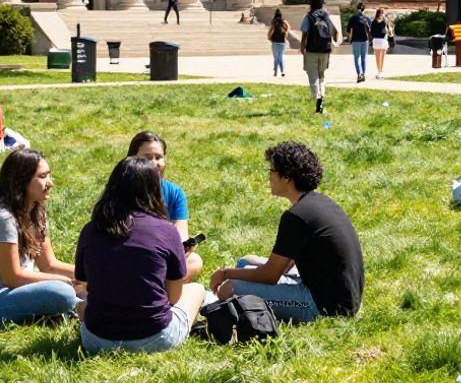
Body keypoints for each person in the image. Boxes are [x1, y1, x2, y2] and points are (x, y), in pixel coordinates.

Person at [210, 142, 365, 322]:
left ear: (287, 177)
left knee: (231, 288)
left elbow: (270, 275)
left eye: (272, 171)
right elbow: (284, 265)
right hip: (341, 298)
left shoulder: (296, 216)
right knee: (245, 262)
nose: (269, 176)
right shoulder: (319, 203)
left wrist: (225, 273)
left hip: (322, 306)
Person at [76, 157, 205, 354]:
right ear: (154, 190)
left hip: (95, 340)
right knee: (196, 289)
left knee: (82, 305)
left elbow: (84, 283)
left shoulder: (90, 230)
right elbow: (174, 296)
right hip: (155, 338)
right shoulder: (166, 230)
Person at [0, 150, 79, 327]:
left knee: (84, 287)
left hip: (14, 293)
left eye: (49, 176)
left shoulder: (36, 213)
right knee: (63, 293)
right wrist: (66, 282)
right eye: (43, 177)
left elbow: (49, 265)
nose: (50, 183)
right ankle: (78, 309)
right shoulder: (1, 218)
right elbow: (12, 277)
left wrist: (93, 275)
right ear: (22, 181)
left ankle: (72, 309)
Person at [128, 131, 202, 280]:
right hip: (128, 254)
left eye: (159, 157)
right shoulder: (121, 190)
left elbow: (180, 237)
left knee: (194, 261)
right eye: (148, 158)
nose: (155, 163)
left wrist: (184, 247)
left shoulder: (174, 192)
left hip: (161, 256)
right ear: (132, 160)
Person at [299, 0, 339, 114]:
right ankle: (322, 97)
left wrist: (302, 46)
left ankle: (318, 101)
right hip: (325, 51)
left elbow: (305, 33)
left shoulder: (308, 16)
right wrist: (334, 43)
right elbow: (335, 32)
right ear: (322, 3)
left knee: (313, 77)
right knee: (322, 76)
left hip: (311, 50)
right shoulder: (327, 16)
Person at [346, 4, 372, 83]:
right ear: (364, 9)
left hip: (355, 40)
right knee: (363, 58)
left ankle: (359, 74)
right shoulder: (367, 18)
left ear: (356, 9)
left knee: (357, 58)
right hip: (365, 40)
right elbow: (371, 30)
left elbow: (348, 30)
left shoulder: (353, 18)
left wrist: (350, 38)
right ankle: (363, 74)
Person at [371, 7, 393, 79]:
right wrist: (389, 34)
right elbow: (389, 31)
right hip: (383, 40)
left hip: (376, 40)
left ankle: (379, 72)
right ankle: (381, 72)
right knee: (382, 57)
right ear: (382, 13)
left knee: (377, 57)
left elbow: (371, 31)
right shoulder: (385, 21)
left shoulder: (373, 21)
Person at [267, 9, 289, 78]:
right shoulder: (283, 21)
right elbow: (288, 27)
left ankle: (275, 72)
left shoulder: (274, 22)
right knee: (281, 57)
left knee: (276, 58)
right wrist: (285, 34)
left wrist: (269, 37)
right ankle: (282, 71)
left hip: (275, 42)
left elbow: (270, 30)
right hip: (282, 42)